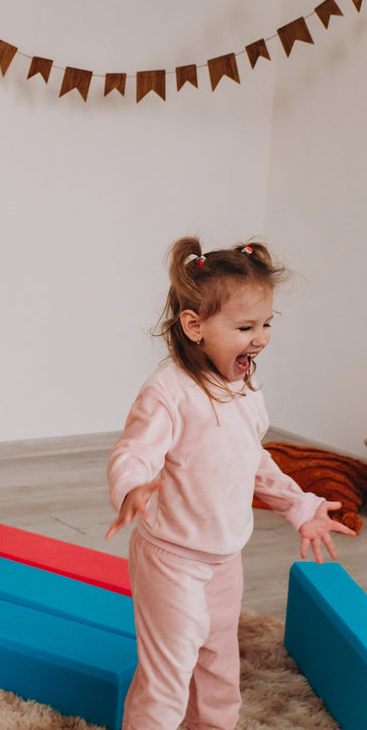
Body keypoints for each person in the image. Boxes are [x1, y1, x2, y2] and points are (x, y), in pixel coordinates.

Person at [104, 236, 355, 730]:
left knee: (219, 666)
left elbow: (253, 460)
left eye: (266, 325)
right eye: (244, 327)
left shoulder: (246, 390)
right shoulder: (168, 392)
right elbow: (133, 451)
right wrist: (132, 486)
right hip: (172, 559)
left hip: (224, 558)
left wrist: (300, 506)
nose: (260, 338)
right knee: (168, 675)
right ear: (194, 326)